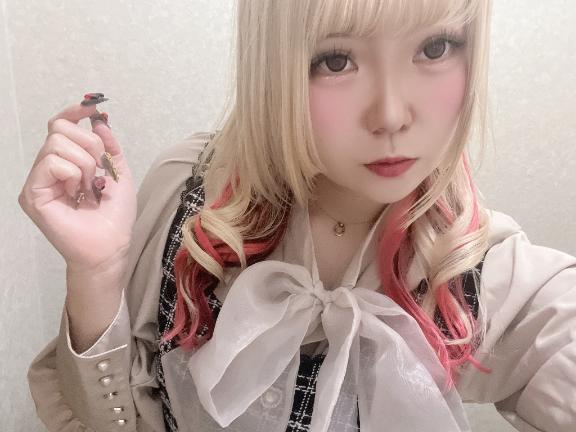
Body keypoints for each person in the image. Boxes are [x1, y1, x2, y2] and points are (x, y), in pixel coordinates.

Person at [18, 0, 575, 431]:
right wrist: (96, 274)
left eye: (435, 47)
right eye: (336, 60)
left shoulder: (479, 272)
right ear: (274, 65)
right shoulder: (187, 201)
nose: (391, 114)